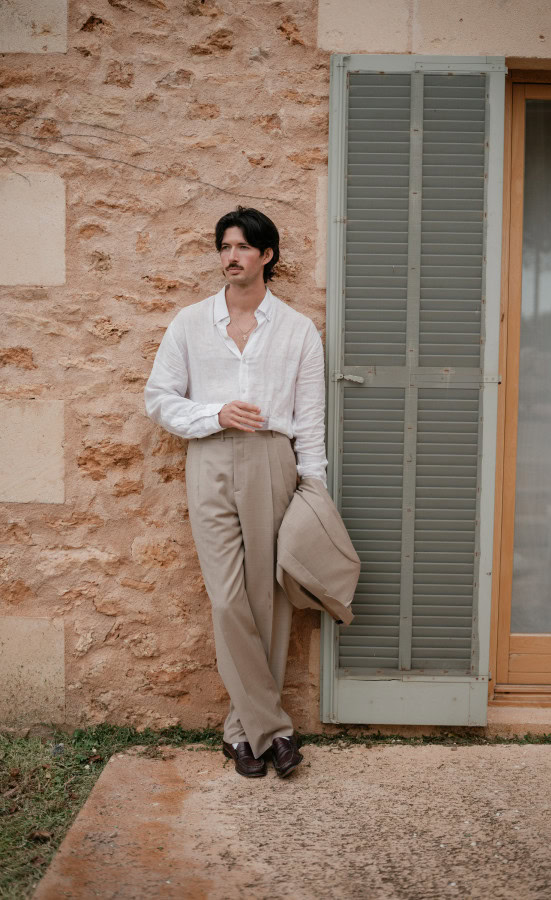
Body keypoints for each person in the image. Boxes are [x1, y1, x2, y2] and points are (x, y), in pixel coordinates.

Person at [144, 205, 327, 778]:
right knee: (227, 598)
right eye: (225, 247)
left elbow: (311, 419)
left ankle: (240, 733)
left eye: (243, 247)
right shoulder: (190, 323)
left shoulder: (297, 329)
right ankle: (274, 728)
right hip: (210, 455)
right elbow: (159, 399)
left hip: (274, 459)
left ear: (266, 256)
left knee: (266, 599)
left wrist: (312, 486)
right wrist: (214, 412)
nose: (232, 256)